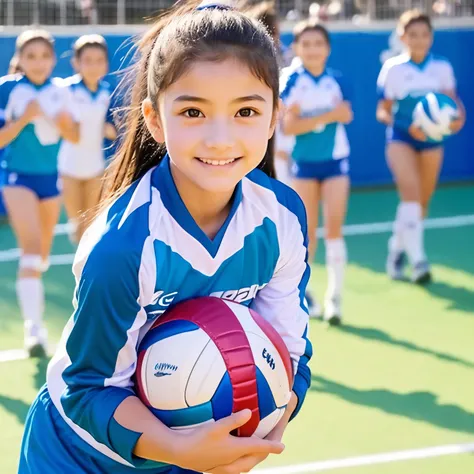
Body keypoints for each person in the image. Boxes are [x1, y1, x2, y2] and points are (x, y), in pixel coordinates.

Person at [18, 2, 313, 474]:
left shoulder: (281, 217)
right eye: (193, 111)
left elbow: (290, 349)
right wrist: (179, 450)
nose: (220, 138)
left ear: (275, 116)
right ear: (155, 120)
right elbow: (88, 388)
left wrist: (268, 427)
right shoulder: (122, 247)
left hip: (193, 452)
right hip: (78, 454)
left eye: (246, 111)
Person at [0, 29, 78, 357]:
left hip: (51, 180)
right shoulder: (8, 89)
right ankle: (35, 331)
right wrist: (25, 118)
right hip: (17, 177)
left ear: (52, 59)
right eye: (31, 56)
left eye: (44, 56)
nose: (38, 63)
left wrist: (62, 123)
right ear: (21, 59)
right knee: (31, 250)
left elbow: (74, 136)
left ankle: (36, 315)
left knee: (42, 256)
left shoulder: (61, 92)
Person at [376, 9, 465, 283]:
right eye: (412, 34)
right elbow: (382, 111)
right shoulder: (393, 68)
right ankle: (419, 262)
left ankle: (396, 250)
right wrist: (405, 125)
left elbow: (453, 105)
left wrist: (456, 121)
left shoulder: (442, 67)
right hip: (400, 139)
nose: (419, 40)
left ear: (431, 37)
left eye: (424, 34)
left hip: (432, 141)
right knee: (411, 196)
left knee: (421, 203)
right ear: (402, 37)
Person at [281, 20, 353, 325]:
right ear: (296, 48)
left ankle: (334, 299)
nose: (312, 49)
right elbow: (289, 126)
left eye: (318, 43)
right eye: (305, 44)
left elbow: (347, 114)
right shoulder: (291, 80)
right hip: (303, 165)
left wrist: (318, 117)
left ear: (328, 48)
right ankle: (306, 295)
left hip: (335, 163)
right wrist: (327, 115)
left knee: (334, 230)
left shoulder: (336, 80)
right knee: (307, 235)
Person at [59, 34, 117, 244]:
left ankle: (83, 269)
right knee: (76, 222)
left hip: (96, 168)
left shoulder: (107, 92)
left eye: (99, 60)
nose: (94, 66)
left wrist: (107, 129)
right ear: (76, 63)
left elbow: (114, 130)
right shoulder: (65, 90)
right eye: (88, 60)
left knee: (91, 223)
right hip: (69, 168)